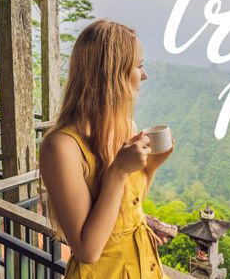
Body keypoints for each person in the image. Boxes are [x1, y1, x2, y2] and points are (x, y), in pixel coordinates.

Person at [39, 20, 175, 278]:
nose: (144, 75)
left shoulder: (126, 126)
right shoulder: (61, 147)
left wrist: (151, 167)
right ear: (111, 72)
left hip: (143, 266)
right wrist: (119, 171)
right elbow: (87, 250)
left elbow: (127, 210)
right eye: (138, 66)